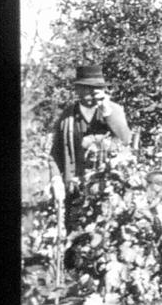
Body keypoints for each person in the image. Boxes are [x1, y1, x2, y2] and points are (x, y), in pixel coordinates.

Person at [49, 65, 132, 231]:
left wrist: (107, 111)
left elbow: (125, 139)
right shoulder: (68, 116)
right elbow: (55, 153)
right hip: (75, 188)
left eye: (94, 89)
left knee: (104, 238)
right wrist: (56, 179)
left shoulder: (112, 110)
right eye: (85, 89)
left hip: (106, 190)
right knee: (74, 236)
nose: (90, 94)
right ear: (77, 89)